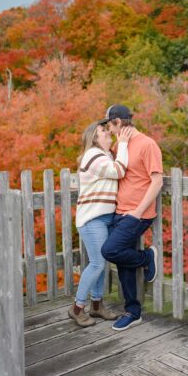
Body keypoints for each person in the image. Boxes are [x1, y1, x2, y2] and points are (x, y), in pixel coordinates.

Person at [99, 105, 164, 331]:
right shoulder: (121, 145)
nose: (109, 129)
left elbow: (157, 181)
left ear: (118, 122)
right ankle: (133, 312)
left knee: (110, 250)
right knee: (121, 260)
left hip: (138, 214)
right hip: (119, 211)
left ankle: (146, 257)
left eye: (109, 125)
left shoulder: (148, 144)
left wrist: (137, 213)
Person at [68, 121, 131, 326]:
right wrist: (122, 143)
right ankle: (77, 308)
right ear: (94, 138)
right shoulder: (93, 155)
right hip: (92, 219)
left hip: (104, 218)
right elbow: (119, 171)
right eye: (104, 131)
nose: (108, 133)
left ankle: (96, 306)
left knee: (101, 263)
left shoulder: (105, 155)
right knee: (96, 264)